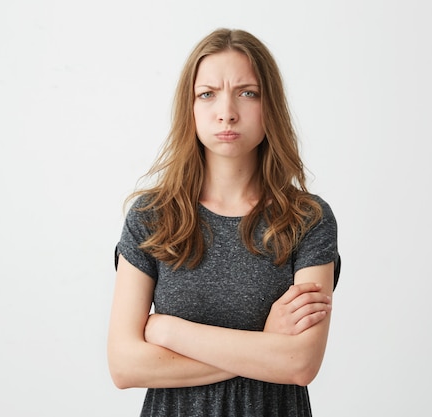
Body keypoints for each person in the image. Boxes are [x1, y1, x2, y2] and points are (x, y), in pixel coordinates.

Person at [108, 28, 340, 416]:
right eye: (208, 93)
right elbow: (124, 365)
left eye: (247, 92)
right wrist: (264, 345)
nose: (227, 111)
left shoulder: (306, 220)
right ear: (191, 107)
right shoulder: (153, 217)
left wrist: (169, 332)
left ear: (271, 106)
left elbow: (300, 363)